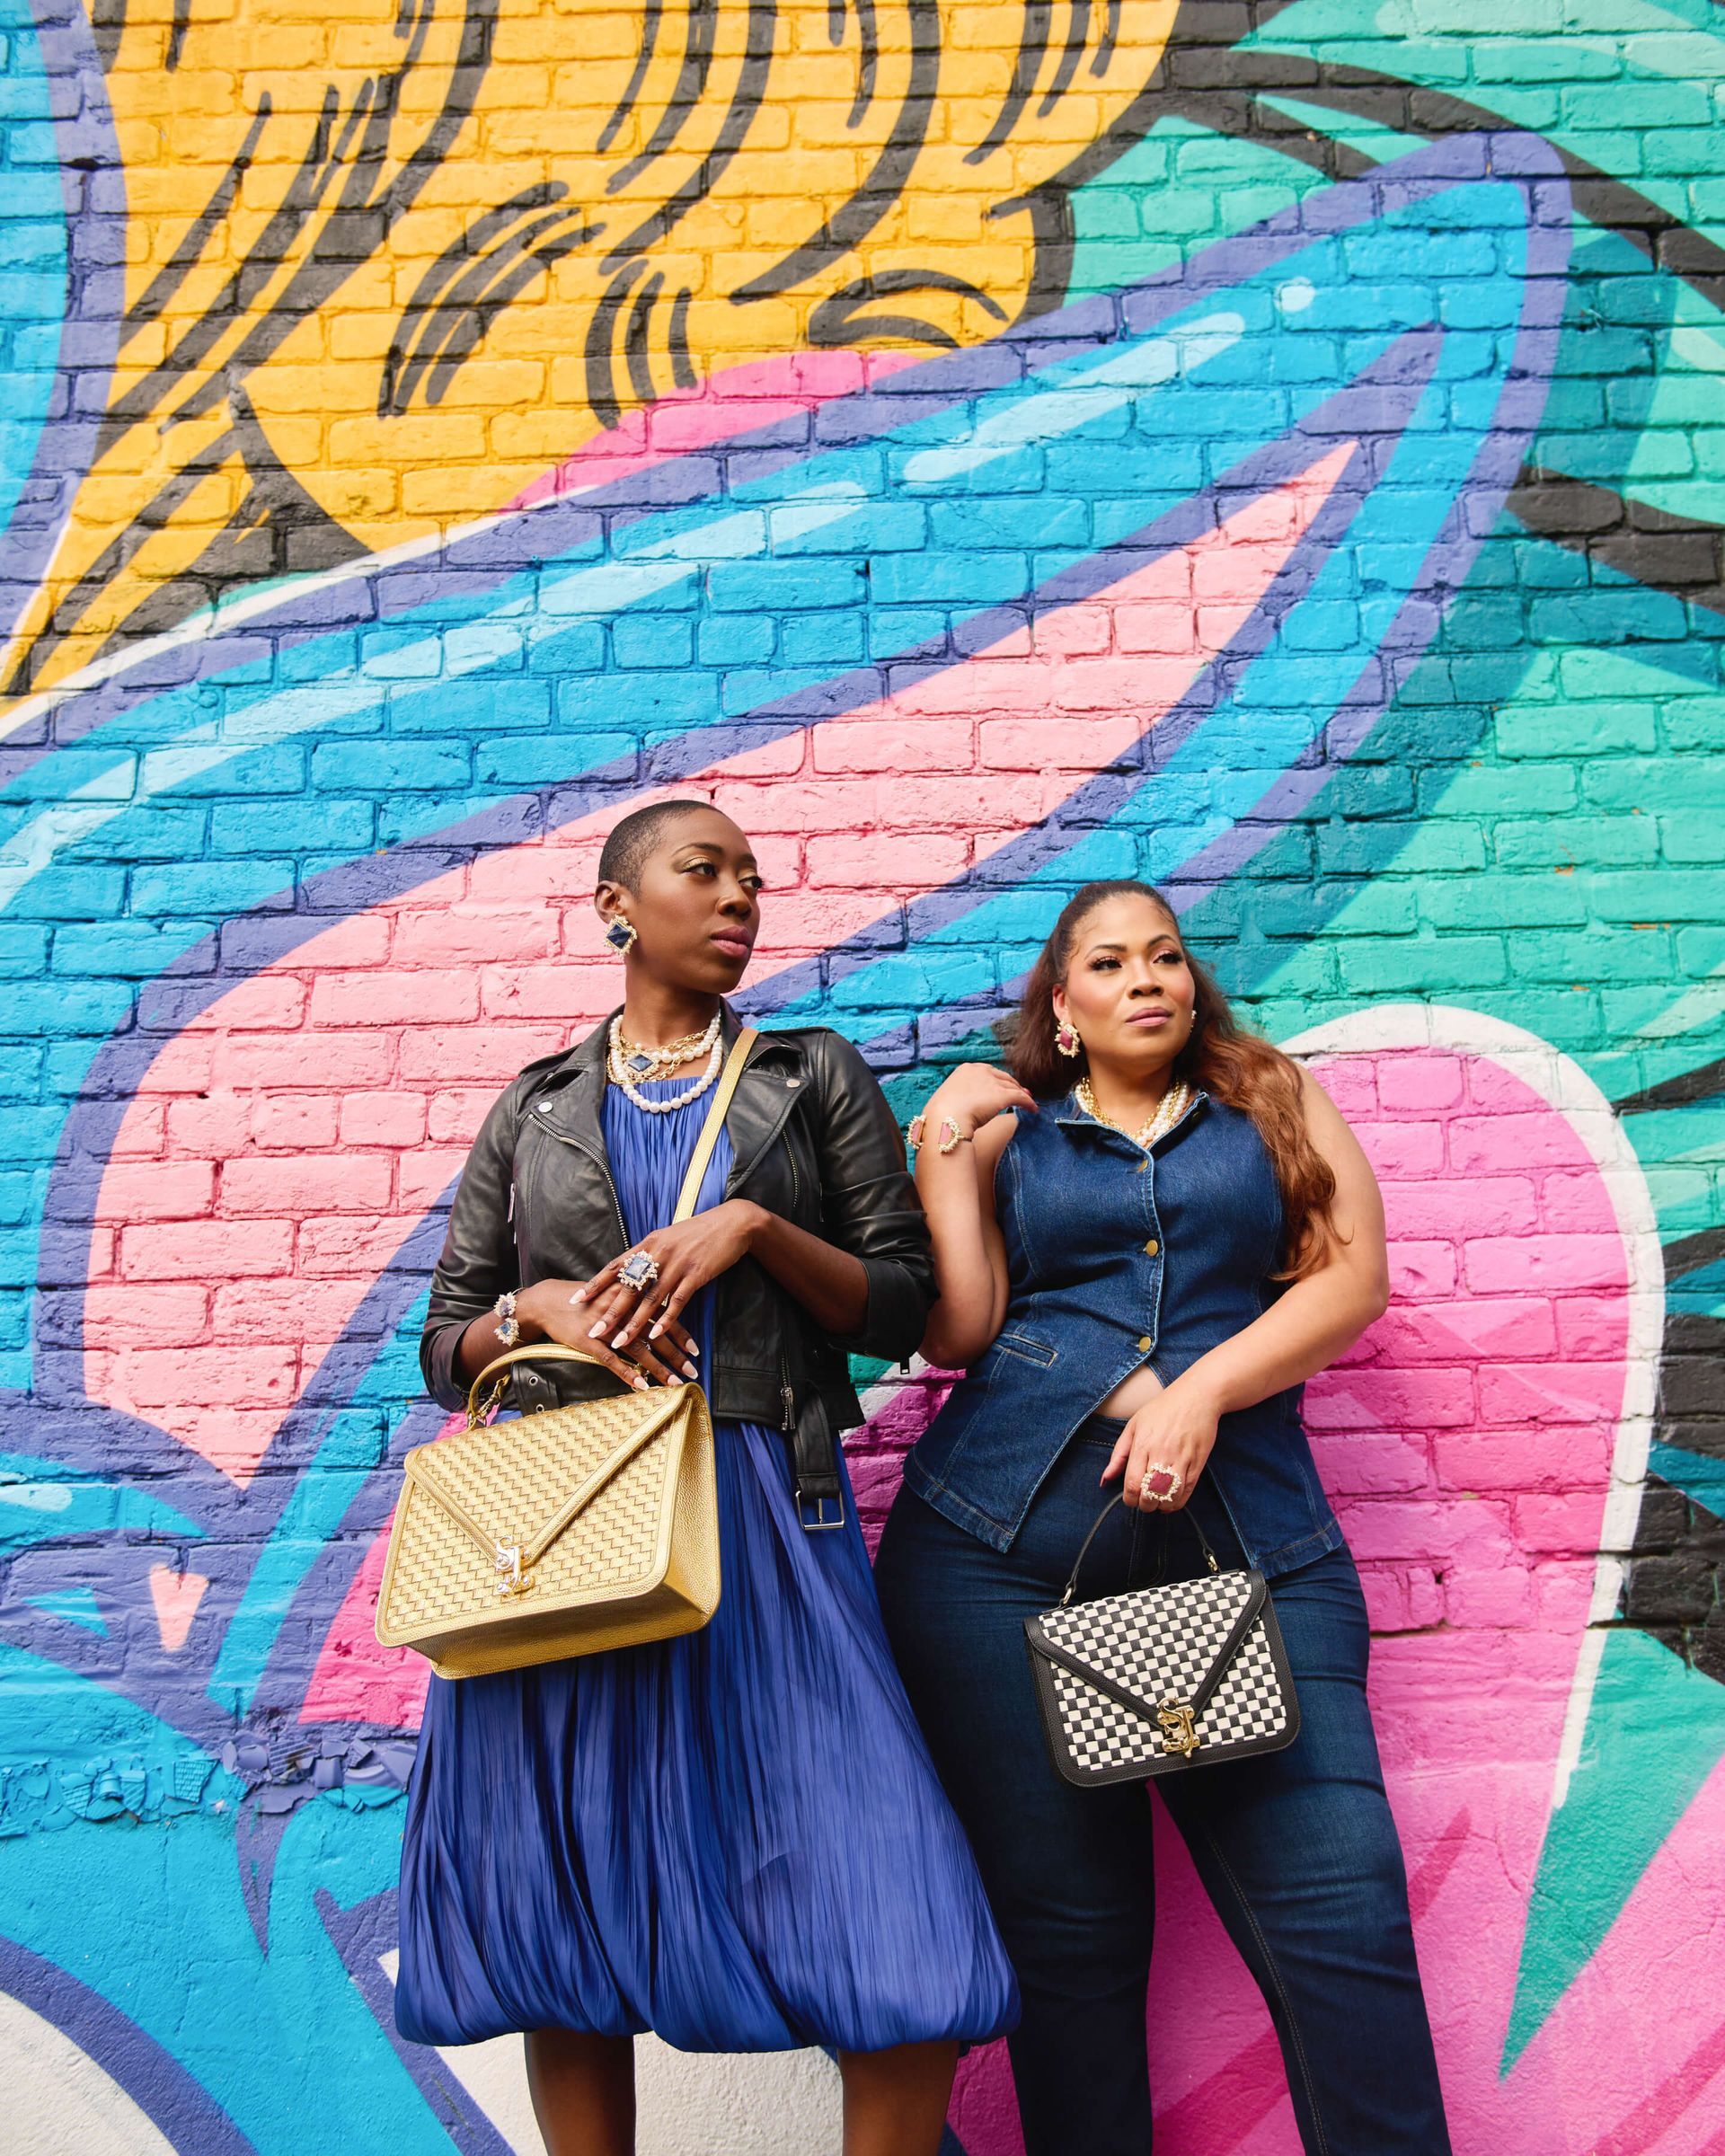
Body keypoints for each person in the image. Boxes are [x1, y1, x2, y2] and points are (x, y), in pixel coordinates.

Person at [395, 800, 1016, 2156]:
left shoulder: (812, 1074)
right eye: (705, 871)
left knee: (893, 1906)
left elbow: (901, 1307)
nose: (741, 897)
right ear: (616, 907)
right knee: (564, 1921)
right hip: (568, 1527)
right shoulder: (535, 1107)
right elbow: (444, 1347)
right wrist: (533, 1310)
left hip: (764, 1515)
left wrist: (754, 1229)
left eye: (752, 878)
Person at [873, 878, 1451, 2156]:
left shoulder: (1270, 1099)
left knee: (1344, 1919)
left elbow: (1354, 1278)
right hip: (995, 1563)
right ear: (1062, 1008)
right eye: (1110, 963)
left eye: (1166, 957)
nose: (1146, 979)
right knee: (1072, 1956)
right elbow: (957, 1332)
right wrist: (944, 1150)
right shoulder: (1013, 1135)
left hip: (1254, 1552)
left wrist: (1198, 1392)